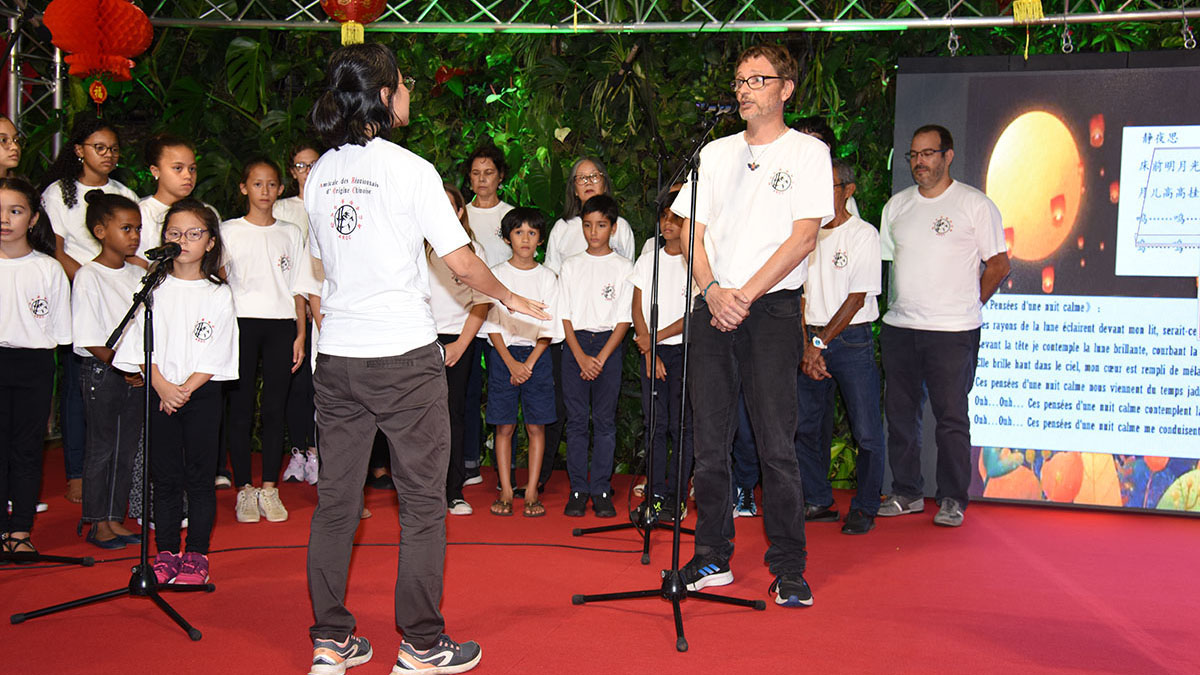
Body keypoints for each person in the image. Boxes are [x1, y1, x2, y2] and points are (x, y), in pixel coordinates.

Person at [303, 42, 547, 675]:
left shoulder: (321, 174)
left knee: (337, 500)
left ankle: (331, 641)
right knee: (421, 503)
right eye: (403, 85)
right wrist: (511, 296)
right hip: (403, 358)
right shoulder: (410, 170)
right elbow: (460, 261)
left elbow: (328, 262)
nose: (408, 94)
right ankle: (421, 643)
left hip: (338, 358)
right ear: (385, 97)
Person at [672, 44, 832, 608]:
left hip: (771, 310)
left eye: (757, 79)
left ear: (785, 89)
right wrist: (714, 291)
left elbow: (804, 237)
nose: (744, 89)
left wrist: (745, 295)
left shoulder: (808, 154)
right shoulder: (713, 155)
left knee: (775, 445)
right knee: (709, 443)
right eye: (739, 80)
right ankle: (712, 554)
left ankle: (789, 565)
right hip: (712, 305)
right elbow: (691, 232)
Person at [878, 124, 1009, 528]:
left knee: (951, 418)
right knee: (900, 415)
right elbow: (888, 267)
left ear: (948, 156)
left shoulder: (974, 204)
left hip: (953, 330)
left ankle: (953, 498)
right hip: (900, 327)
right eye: (914, 155)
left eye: (928, 153)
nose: (920, 162)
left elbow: (999, 264)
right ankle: (906, 492)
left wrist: (970, 302)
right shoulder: (896, 207)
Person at [114, 199, 238, 585]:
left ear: (211, 242)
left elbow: (219, 351)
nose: (183, 240)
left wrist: (183, 389)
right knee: (164, 477)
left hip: (199, 394)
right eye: (174, 233)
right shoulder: (154, 289)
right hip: (159, 391)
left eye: (193, 233)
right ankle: (165, 551)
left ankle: (197, 554)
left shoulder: (218, 294)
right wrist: (163, 386)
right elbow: (139, 346)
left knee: (199, 478)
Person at [41, 118, 138, 504]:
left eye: (114, 148)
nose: (109, 155)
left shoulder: (122, 192)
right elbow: (57, 250)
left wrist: (114, 283)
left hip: (117, 295)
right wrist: (93, 281)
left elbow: (132, 252)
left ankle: (121, 475)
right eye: (100, 147)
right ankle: (78, 472)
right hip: (77, 291)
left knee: (120, 388)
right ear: (79, 150)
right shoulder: (58, 194)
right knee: (77, 387)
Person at [794, 159, 886, 535]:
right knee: (803, 426)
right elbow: (798, 294)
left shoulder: (863, 234)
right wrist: (806, 343)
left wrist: (818, 343)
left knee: (866, 431)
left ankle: (865, 506)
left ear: (848, 191)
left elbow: (855, 298)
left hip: (850, 340)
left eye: (828, 186)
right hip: (810, 340)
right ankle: (817, 499)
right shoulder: (804, 235)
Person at [221, 157, 311, 524]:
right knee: (240, 408)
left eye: (271, 184)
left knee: (275, 409)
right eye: (257, 184)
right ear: (244, 188)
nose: (265, 191)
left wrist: (302, 333)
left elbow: (300, 288)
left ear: (280, 188)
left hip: (281, 324)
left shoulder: (291, 232)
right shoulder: (227, 231)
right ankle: (244, 489)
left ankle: (270, 489)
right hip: (240, 324)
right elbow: (219, 282)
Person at [0, 176, 71, 557]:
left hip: (34, 365)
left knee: (26, 449)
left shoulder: (47, 269)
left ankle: (20, 529)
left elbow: (60, 332)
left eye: (15, 211)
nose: (6, 219)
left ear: (32, 219)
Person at [72, 191, 146, 549]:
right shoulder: (90, 275)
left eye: (138, 229)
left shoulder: (138, 274)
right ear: (101, 231)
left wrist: (140, 368)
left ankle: (115, 518)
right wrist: (122, 368)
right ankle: (96, 521)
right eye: (126, 228)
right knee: (101, 447)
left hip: (134, 373)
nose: (134, 236)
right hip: (102, 372)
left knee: (125, 447)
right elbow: (88, 336)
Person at [559, 194, 633, 518]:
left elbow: (623, 320)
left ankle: (601, 487)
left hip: (608, 347)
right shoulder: (570, 265)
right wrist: (580, 355)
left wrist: (600, 358)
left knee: (604, 422)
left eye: (601, 225)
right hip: (574, 345)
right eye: (588, 225)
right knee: (576, 422)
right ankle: (578, 488)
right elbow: (564, 314)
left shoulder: (624, 267)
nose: (593, 232)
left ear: (613, 228)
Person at [483, 207, 559, 518]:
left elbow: (550, 326)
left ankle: (530, 491)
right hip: (503, 357)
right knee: (504, 425)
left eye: (531, 232)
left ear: (540, 239)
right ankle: (504, 488)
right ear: (507, 238)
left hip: (537, 357)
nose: (525, 238)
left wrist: (528, 364)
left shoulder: (547, 277)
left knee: (535, 425)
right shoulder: (497, 275)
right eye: (518, 232)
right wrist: (512, 364)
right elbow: (491, 323)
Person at [629, 188, 694, 520]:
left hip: (682, 352)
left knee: (681, 427)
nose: (668, 224)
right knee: (656, 425)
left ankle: (676, 497)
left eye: (676, 218)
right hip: (651, 353)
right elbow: (637, 306)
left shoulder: (696, 259)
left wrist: (655, 340)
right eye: (664, 218)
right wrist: (649, 347)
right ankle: (653, 495)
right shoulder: (648, 258)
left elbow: (693, 313)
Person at [432, 184, 492, 516]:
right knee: (416, 420)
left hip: (459, 340)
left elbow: (481, 304)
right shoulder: (414, 248)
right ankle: (421, 492)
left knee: (453, 416)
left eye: (447, 206)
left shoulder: (472, 250)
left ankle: (453, 491)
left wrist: (459, 346)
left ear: (458, 212)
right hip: (419, 341)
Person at [460, 143, 515, 489]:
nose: (483, 179)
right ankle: (468, 461)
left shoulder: (512, 216)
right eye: (476, 173)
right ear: (469, 178)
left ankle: (503, 471)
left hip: (503, 319)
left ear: (500, 177)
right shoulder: (458, 216)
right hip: (465, 317)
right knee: (466, 392)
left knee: (502, 392)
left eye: (489, 173)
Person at [276, 143, 322, 488]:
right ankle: (298, 452)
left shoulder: (331, 203)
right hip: (289, 308)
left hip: (325, 308)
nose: (306, 170)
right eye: (300, 165)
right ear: (292, 171)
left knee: (322, 383)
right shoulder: (280, 208)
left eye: (313, 164)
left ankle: (319, 452)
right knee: (295, 384)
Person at [138, 134, 221, 264]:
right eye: (178, 168)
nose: (188, 175)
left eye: (192, 169)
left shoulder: (207, 212)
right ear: (155, 171)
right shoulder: (141, 214)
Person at [543, 157, 636, 274]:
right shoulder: (562, 227)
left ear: (605, 185)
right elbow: (552, 274)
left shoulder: (620, 226)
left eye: (594, 176)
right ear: (575, 190)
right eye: (582, 178)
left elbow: (627, 274)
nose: (588, 182)